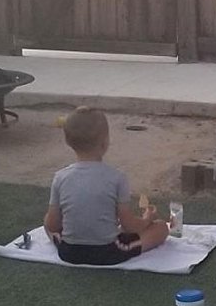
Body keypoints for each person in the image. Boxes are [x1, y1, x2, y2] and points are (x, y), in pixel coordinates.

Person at [43, 107, 169, 265]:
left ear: (68, 141)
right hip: (107, 252)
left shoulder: (60, 177)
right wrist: (146, 220)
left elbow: (52, 224)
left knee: (46, 223)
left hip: (69, 252)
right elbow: (129, 225)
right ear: (105, 142)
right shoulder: (117, 178)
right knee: (161, 227)